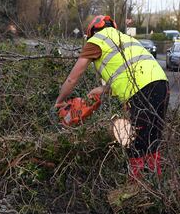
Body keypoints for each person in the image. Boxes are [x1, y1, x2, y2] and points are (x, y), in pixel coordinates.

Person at [55, 15, 169, 179]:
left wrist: (59, 101)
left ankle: (137, 185)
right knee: (153, 139)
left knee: (133, 141)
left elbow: (73, 77)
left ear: (92, 31)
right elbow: (127, 71)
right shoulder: (125, 38)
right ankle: (155, 184)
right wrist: (102, 89)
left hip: (141, 91)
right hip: (161, 84)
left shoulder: (96, 41)